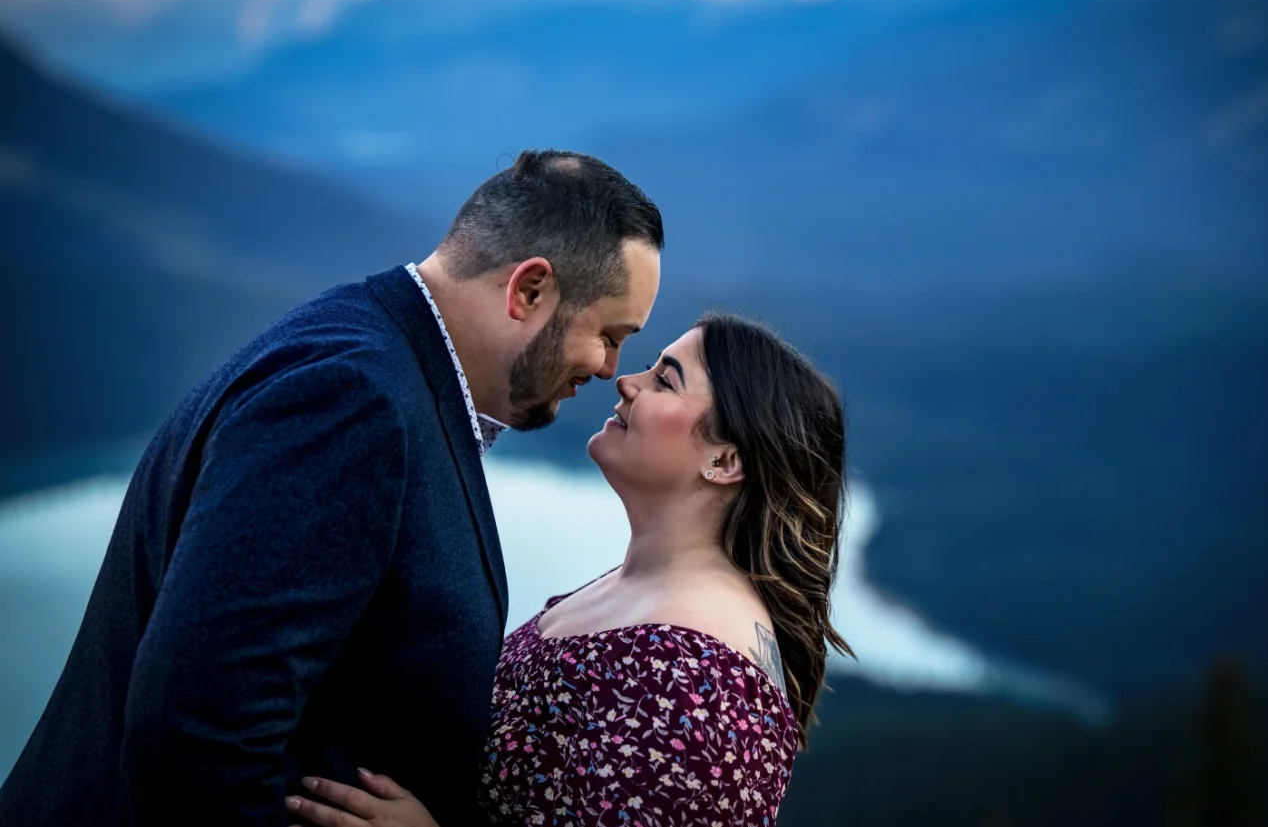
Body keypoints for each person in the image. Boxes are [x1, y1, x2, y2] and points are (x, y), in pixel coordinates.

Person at [0, 149, 664, 826]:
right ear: (528, 290)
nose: (612, 369)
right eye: (610, 334)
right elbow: (199, 724)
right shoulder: (355, 399)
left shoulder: (382, 357)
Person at [280, 314, 852, 827]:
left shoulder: (701, 681)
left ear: (724, 461)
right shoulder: (630, 592)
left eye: (665, 379)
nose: (627, 382)